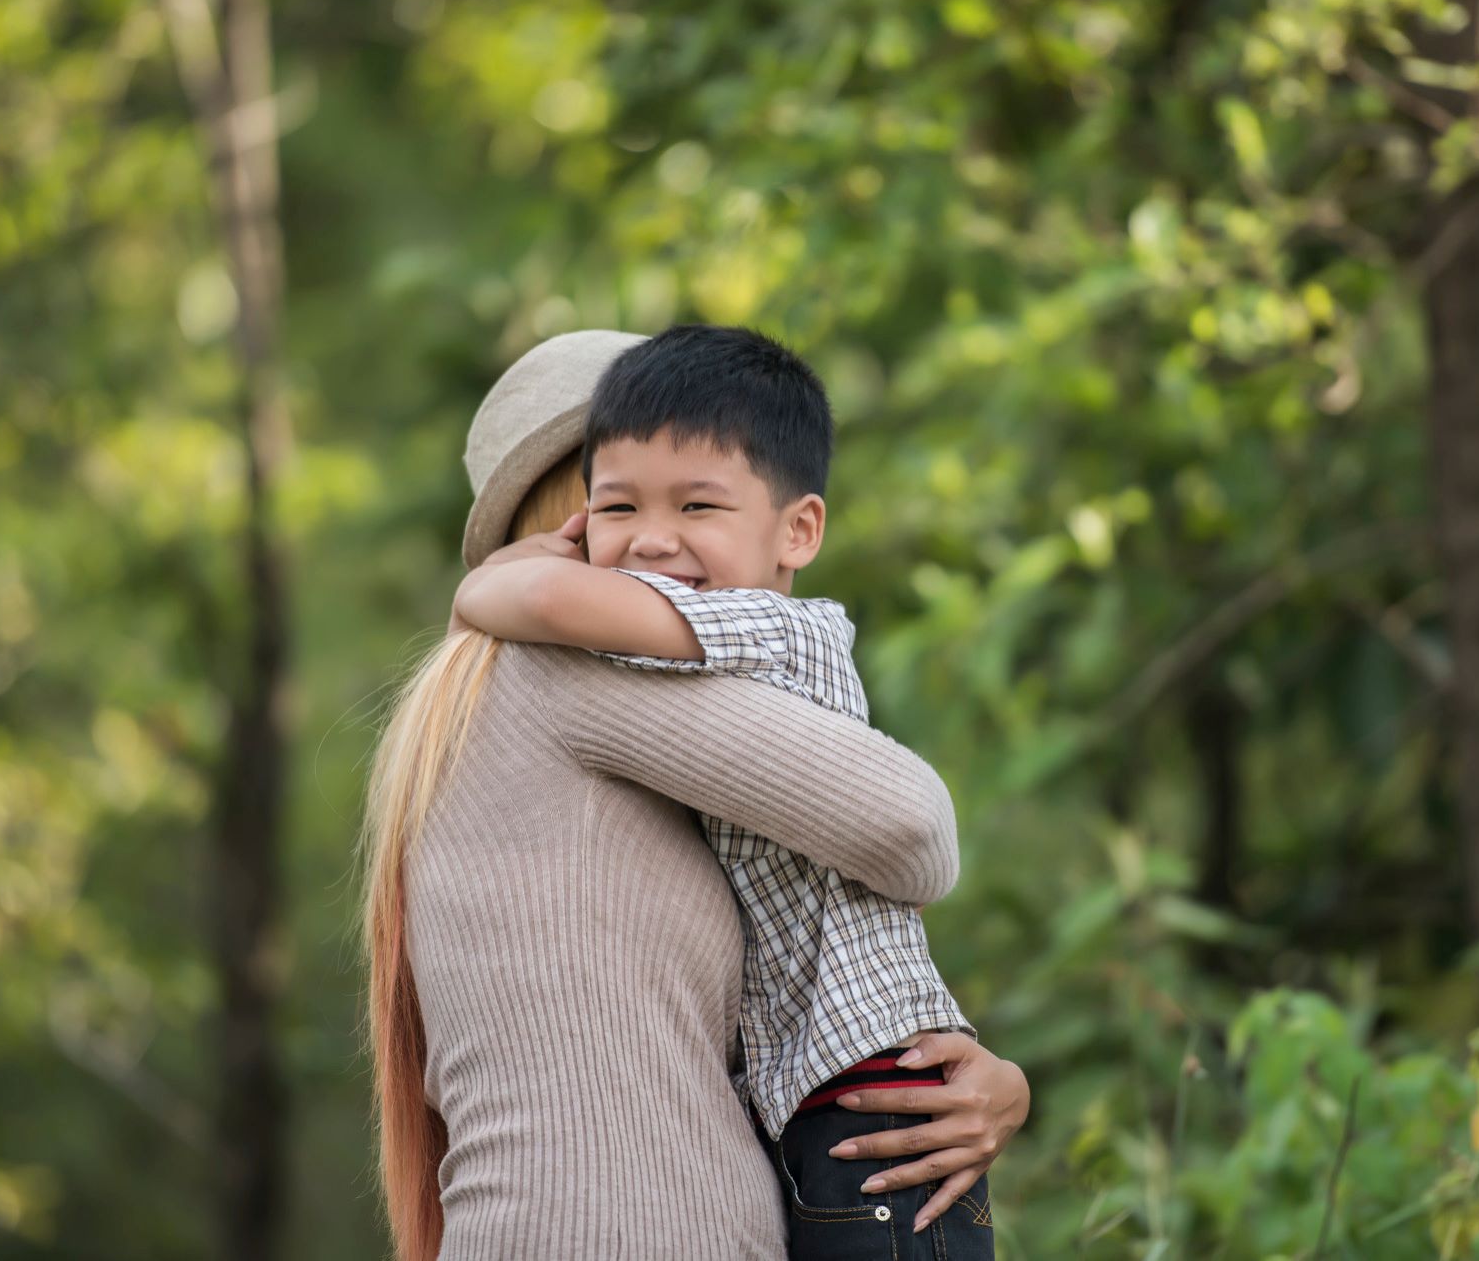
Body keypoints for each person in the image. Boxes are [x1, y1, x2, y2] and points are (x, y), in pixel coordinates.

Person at [360, 329, 1029, 1260]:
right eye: (621, 498)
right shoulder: (562, 675)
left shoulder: (474, 715)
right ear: (571, 519)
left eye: (702, 493)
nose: (660, 540)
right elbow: (914, 828)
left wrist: (965, 1074)